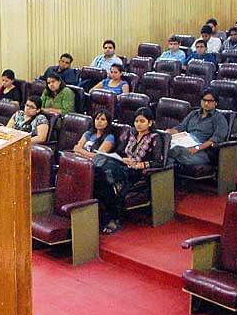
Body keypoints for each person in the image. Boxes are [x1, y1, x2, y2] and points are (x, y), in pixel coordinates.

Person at [94, 107, 163, 235]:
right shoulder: (130, 133)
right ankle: (109, 213)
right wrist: (124, 159)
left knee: (104, 174)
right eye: (136, 121)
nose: (138, 124)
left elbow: (158, 162)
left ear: (150, 122)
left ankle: (114, 218)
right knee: (99, 169)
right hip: (123, 165)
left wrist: (139, 164)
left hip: (136, 171)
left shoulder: (155, 138)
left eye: (142, 121)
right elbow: (120, 151)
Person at [166, 90, 228, 167]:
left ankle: (164, 176)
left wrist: (197, 148)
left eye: (210, 101)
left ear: (216, 103)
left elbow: (215, 139)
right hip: (185, 142)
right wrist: (169, 132)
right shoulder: (193, 114)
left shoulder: (219, 118)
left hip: (202, 151)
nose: (206, 103)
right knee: (168, 148)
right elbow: (181, 127)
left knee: (172, 154)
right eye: (204, 100)